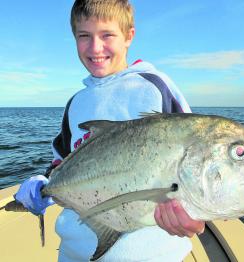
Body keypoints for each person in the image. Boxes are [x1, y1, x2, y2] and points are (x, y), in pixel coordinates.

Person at [15, 0, 205, 261]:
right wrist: (45, 186)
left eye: (107, 35)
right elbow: (62, 162)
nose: (95, 47)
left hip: (147, 255)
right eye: (84, 36)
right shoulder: (75, 103)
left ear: (129, 36)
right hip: (74, 251)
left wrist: (195, 218)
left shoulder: (154, 87)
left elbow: (194, 159)